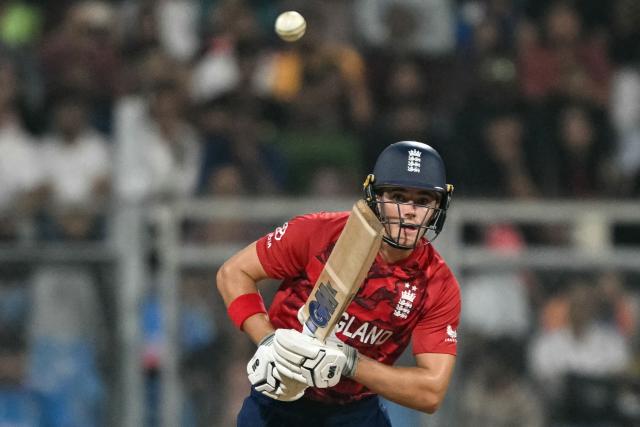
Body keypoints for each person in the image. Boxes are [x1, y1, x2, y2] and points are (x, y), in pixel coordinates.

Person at [217, 141, 461, 426]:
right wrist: (267, 342)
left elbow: (430, 392)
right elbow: (233, 273)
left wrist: (349, 363)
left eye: (423, 201)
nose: (410, 211)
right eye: (397, 196)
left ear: (438, 207)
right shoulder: (318, 233)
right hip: (279, 400)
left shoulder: (437, 283)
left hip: (356, 411)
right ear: (375, 197)